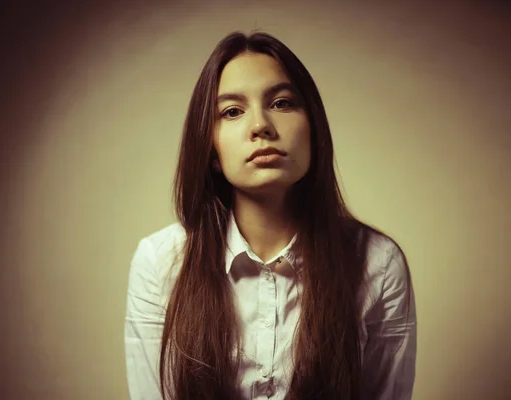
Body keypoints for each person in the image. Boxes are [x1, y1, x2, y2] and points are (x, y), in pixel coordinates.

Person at [124, 30, 417, 400]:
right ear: (211, 149)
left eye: (281, 103)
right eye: (232, 111)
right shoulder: (160, 262)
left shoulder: (376, 262)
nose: (260, 125)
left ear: (314, 129)